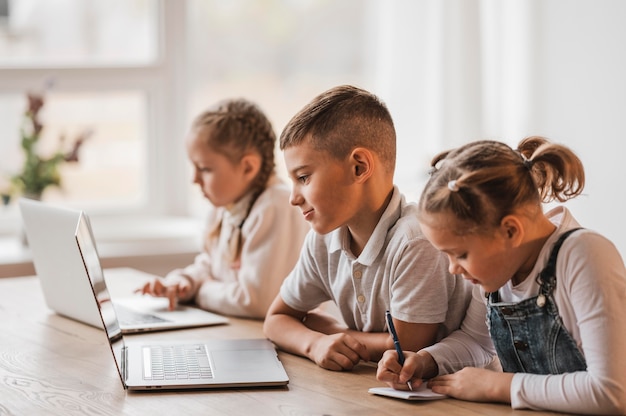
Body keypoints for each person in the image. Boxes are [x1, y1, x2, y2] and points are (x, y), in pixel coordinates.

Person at [376, 137, 626, 414]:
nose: (453, 269)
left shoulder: (585, 255)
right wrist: (426, 360)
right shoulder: (499, 270)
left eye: (461, 255)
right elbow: (476, 341)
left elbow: (612, 391)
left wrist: (499, 386)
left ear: (510, 232)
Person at [263, 85, 471, 371]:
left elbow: (404, 349)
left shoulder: (415, 240)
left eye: (304, 177)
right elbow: (275, 321)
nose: (293, 198)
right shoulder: (322, 241)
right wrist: (314, 344)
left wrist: (333, 331)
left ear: (359, 167)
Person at [139, 98, 310, 319]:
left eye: (205, 168)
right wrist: (182, 282)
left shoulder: (275, 207)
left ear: (247, 167)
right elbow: (209, 266)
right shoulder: (224, 207)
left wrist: (201, 291)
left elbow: (256, 302)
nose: (194, 179)